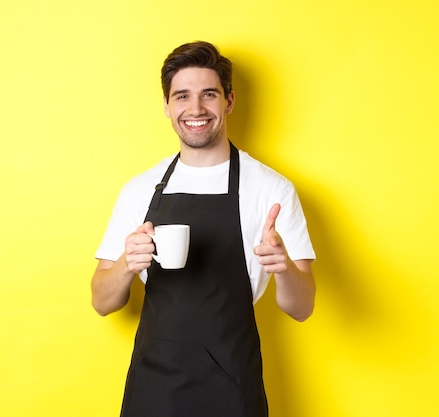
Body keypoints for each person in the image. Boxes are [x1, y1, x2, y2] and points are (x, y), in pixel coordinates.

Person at [91, 41, 316, 417]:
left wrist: (284, 268)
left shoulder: (271, 189)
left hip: (232, 388)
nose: (195, 109)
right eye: (182, 96)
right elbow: (102, 302)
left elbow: (302, 307)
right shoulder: (140, 189)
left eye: (208, 95)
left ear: (228, 101)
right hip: (153, 389)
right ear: (167, 105)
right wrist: (126, 265)